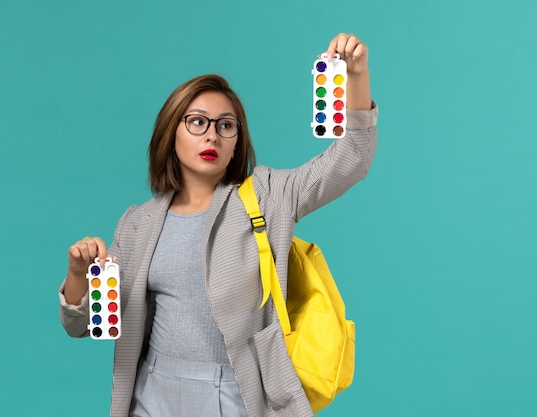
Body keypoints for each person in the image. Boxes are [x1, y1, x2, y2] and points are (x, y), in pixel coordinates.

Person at [59, 33, 378, 417]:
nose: (212, 133)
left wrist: (356, 77)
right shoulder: (137, 223)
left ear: (236, 140)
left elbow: (351, 160)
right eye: (197, 122)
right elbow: (83, 326)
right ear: (170, 133)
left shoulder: (268, 196)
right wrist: (79, 273)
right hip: (151, 392)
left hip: (232, 392)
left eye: (226, 125)